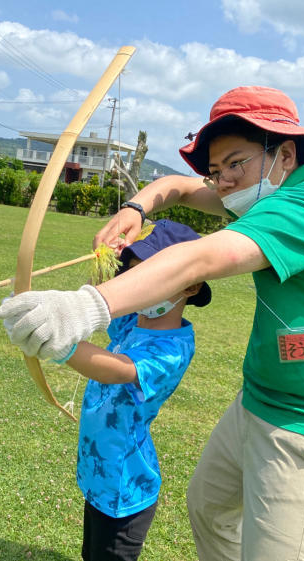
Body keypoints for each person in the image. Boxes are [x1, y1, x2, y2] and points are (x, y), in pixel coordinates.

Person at [0, 86, 304, 561]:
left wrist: (84, 308)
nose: (222, 180)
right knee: (210, 509)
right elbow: (180, 188)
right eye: (215, 169)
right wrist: (135, 208)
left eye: (235, 163)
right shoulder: (265, 194)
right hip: (262, 398)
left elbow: (199, 258)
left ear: (285, 154)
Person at [67, 219, 211, 561]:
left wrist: (60, 343)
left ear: (191, 287)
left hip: (125, 488)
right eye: (133, 274)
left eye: (152, 277)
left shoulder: (171, 348)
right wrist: (103, 261)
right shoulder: (134, 321)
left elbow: (116, 369)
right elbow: (95, 307)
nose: (137, 286)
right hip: (101, 472)